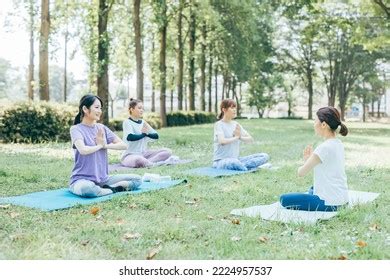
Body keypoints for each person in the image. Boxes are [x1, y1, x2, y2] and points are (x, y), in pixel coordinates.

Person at [69, 94, 141, 197]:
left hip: (103, 179)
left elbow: (124, 145)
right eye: (96, 107)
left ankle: (108, 189)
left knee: (137, 179)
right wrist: (99, 146)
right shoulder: (76, 129)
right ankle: (110, 190)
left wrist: (105, 146)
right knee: (87, 189)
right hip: (81, 180)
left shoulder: (101, 128)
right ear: (85, 109)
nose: (99, 111)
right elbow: (83, 150)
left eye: (100, 108)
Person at [280, 106, 349, 211]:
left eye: (315, 121)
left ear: (323, 124)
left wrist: (306, 161)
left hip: (328, 203)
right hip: (343, 199)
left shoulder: (323, 148)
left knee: (284, 199)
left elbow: (301, 173)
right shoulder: (338, 143)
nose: (314, 124)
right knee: (313, 189)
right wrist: (310, 159)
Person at [213, 99, 269, 171]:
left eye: (235, 108)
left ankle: (243, 167)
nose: (234, 110)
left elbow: (250, 140)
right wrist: (236, 137)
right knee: (234, 162)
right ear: (224, 109)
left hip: (236, 159)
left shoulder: (236, 125)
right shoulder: (219, 124)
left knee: (264, 156)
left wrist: (240, 137)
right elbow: (222, 141)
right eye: (232, 108)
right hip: (220, 161)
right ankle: (254, 168)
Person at [121, 98, 172, 168]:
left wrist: (147, 134)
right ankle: (150, 163)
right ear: (131, 109)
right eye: (139, 108)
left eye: (142, 108)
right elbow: (130, 137)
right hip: (130, 155)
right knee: (138, 160)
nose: (142, 110)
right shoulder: (127, 122)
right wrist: (143, 134)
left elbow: (156, 135)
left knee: (167, 152)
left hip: (144, 154)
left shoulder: (143, 122)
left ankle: (148, 163)